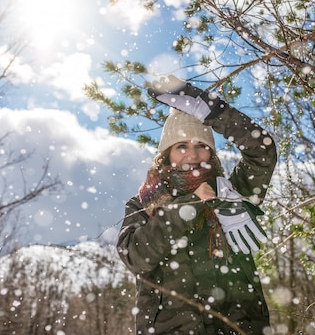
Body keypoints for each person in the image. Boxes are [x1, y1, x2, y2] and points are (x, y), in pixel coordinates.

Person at [117, 76, 278, 335]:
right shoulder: (143, 204)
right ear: (166, 154)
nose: (192, 155)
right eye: (181, 146)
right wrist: (190, 204)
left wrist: (210, 109)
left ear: (211, 154)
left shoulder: (232, 194)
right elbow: (136, 257)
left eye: (201, 146)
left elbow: (262, 149)